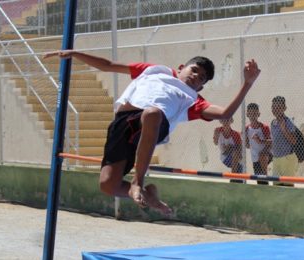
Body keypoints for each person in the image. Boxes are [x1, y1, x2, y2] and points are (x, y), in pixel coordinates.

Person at [44, 50, 260, 215]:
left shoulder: (192, 100)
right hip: (123, 123)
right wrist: (74, 53)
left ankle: (138, 182)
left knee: (153, 113)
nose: (196, 77)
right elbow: (108, 65)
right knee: (108, 185)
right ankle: (148, 194)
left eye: (201, 78)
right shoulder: (155, 71)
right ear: (181, 67)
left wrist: (247, 84)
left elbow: (224, 113)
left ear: (201, 88)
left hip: (153, 124)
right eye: (194, 70)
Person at [269, 96, 298, 186]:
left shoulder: (288, 122)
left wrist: (284, 129)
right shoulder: (273, 123)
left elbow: (294, 141)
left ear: (284, 108)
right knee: (276, 185)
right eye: (273, 107)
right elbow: (275, 140)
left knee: (288, 186)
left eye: (279, 107)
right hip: (276, 159)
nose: (275, 109)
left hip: (287, 159)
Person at [244, 103, 271, 185]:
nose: (253, 115)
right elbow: (248, 146)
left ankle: (265, 175)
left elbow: (271, 142)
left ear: (258, 114)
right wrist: (244, 140)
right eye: (251, 113)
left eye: (255, 113)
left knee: (262, 156)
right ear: (247, 114)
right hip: (255, 158)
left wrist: (260, 141)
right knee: (260, 181)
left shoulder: (264, 127)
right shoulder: (246, 129)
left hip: (266, 155)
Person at [213, 117, 244, 183]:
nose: (225, 122)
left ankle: (235, 178)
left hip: (238, 159)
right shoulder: (217, 131)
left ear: (231, 121)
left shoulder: (236, 134)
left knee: (239, 178)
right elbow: (215, 143)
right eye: (223, 120)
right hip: (225, 158)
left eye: (227, 119)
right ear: (220, 121)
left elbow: (239, 152)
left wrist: (230, 148)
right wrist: (216, 137)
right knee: (235, 156)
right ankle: (233, 178)